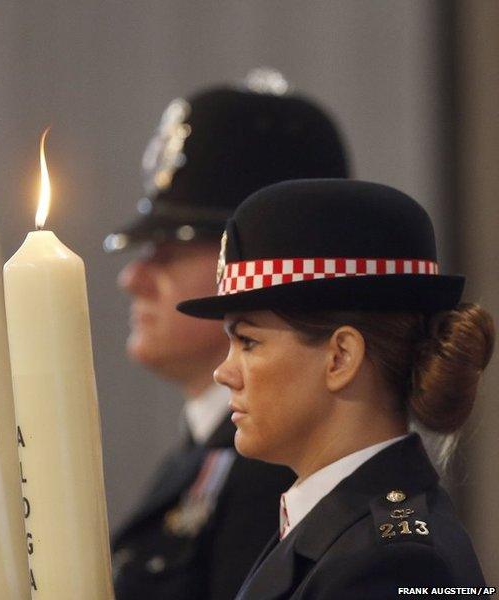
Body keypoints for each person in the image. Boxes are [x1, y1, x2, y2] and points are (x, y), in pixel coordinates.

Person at [177, 178, 495, 599]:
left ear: (341, 357)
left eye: (249, 342)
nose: (224, 372)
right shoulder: (335, 531)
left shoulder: (395, 564)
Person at [104, 71, 349, 599]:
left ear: (259, 265)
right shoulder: (208, 453)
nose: (133, 277)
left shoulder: (274, 469)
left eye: (169, 251)